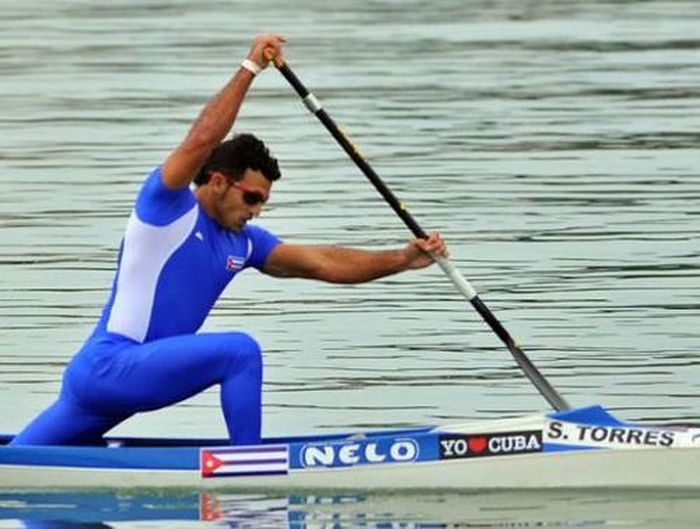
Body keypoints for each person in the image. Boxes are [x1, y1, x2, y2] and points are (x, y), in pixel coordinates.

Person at [10, 34, 448, 447]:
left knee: (19, 466)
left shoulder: (244, 243)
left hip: (103, 382)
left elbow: (323, 263)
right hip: (110, 366)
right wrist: (251, 67)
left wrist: (402, 259)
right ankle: (249, 468)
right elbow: (203, 138)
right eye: (252, 197)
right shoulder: (165, 207)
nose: (257, 210)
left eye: (263, 202)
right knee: (240, 351)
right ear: (218, 181)